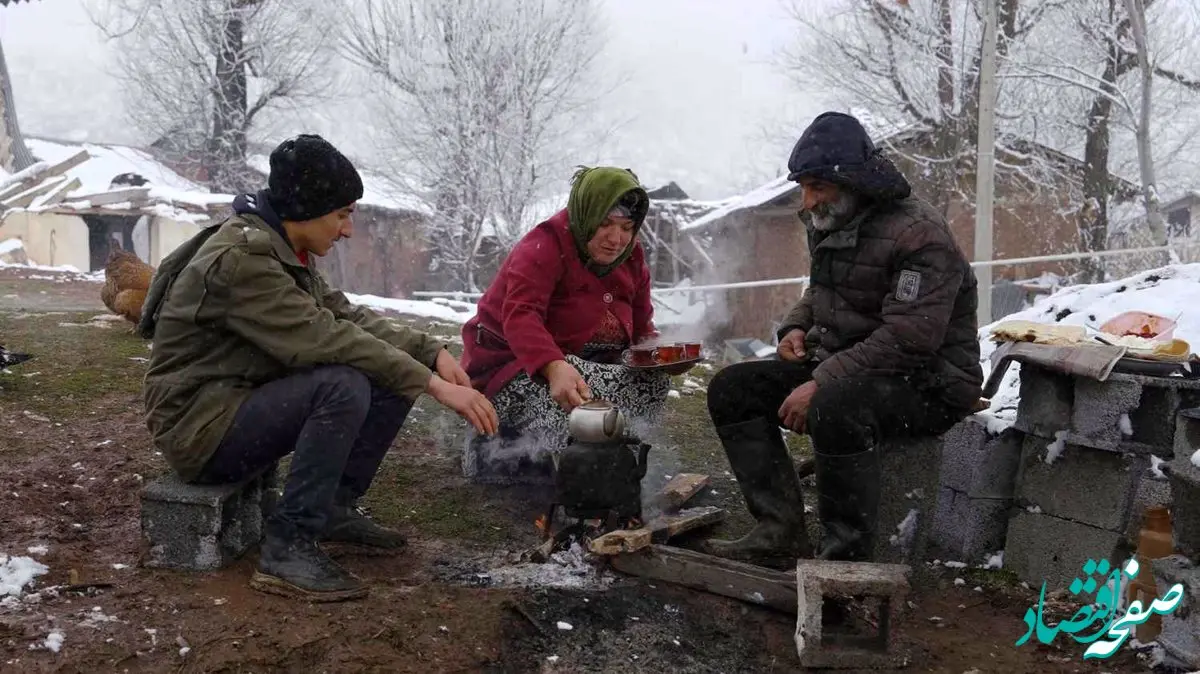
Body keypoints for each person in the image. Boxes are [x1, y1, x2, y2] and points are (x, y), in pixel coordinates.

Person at [139, 134, 498, 602]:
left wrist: (429, 352)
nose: (347, 229)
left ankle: (330, 507)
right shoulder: (245, 262)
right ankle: (288, 547)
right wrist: (432, 385)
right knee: (343, 383)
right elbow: (330, 338)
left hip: (233, 401)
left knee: (384, 369)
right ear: (306, 208)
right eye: (342, 214)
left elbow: (344, 315)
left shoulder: (276, 245)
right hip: (198, 427)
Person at [702, 112, 983, 567]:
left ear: (852, 183)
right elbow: (822, 291)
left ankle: (842, 564)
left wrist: (822, 380)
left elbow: (909, 338)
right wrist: (794, 326)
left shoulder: (920, 237)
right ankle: (778, 531)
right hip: (854, 369)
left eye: (817, 188)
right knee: (732, 389)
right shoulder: (830, 220)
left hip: (929, 385)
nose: (808, 201)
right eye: (803, 188)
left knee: (836, 405)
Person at [459, 166, 670, 483]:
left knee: (652, 382)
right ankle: (548, 467)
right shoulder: (545, 245)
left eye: (627, 227)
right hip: (514, 365)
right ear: (586, 214)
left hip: (589, 362)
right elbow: (521, 314)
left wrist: (659, 356)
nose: (617, 239)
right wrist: (553, 365)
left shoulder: (632, 256)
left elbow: (641, 325)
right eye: (605, 224)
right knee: (575, 386)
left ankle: (614, 463)